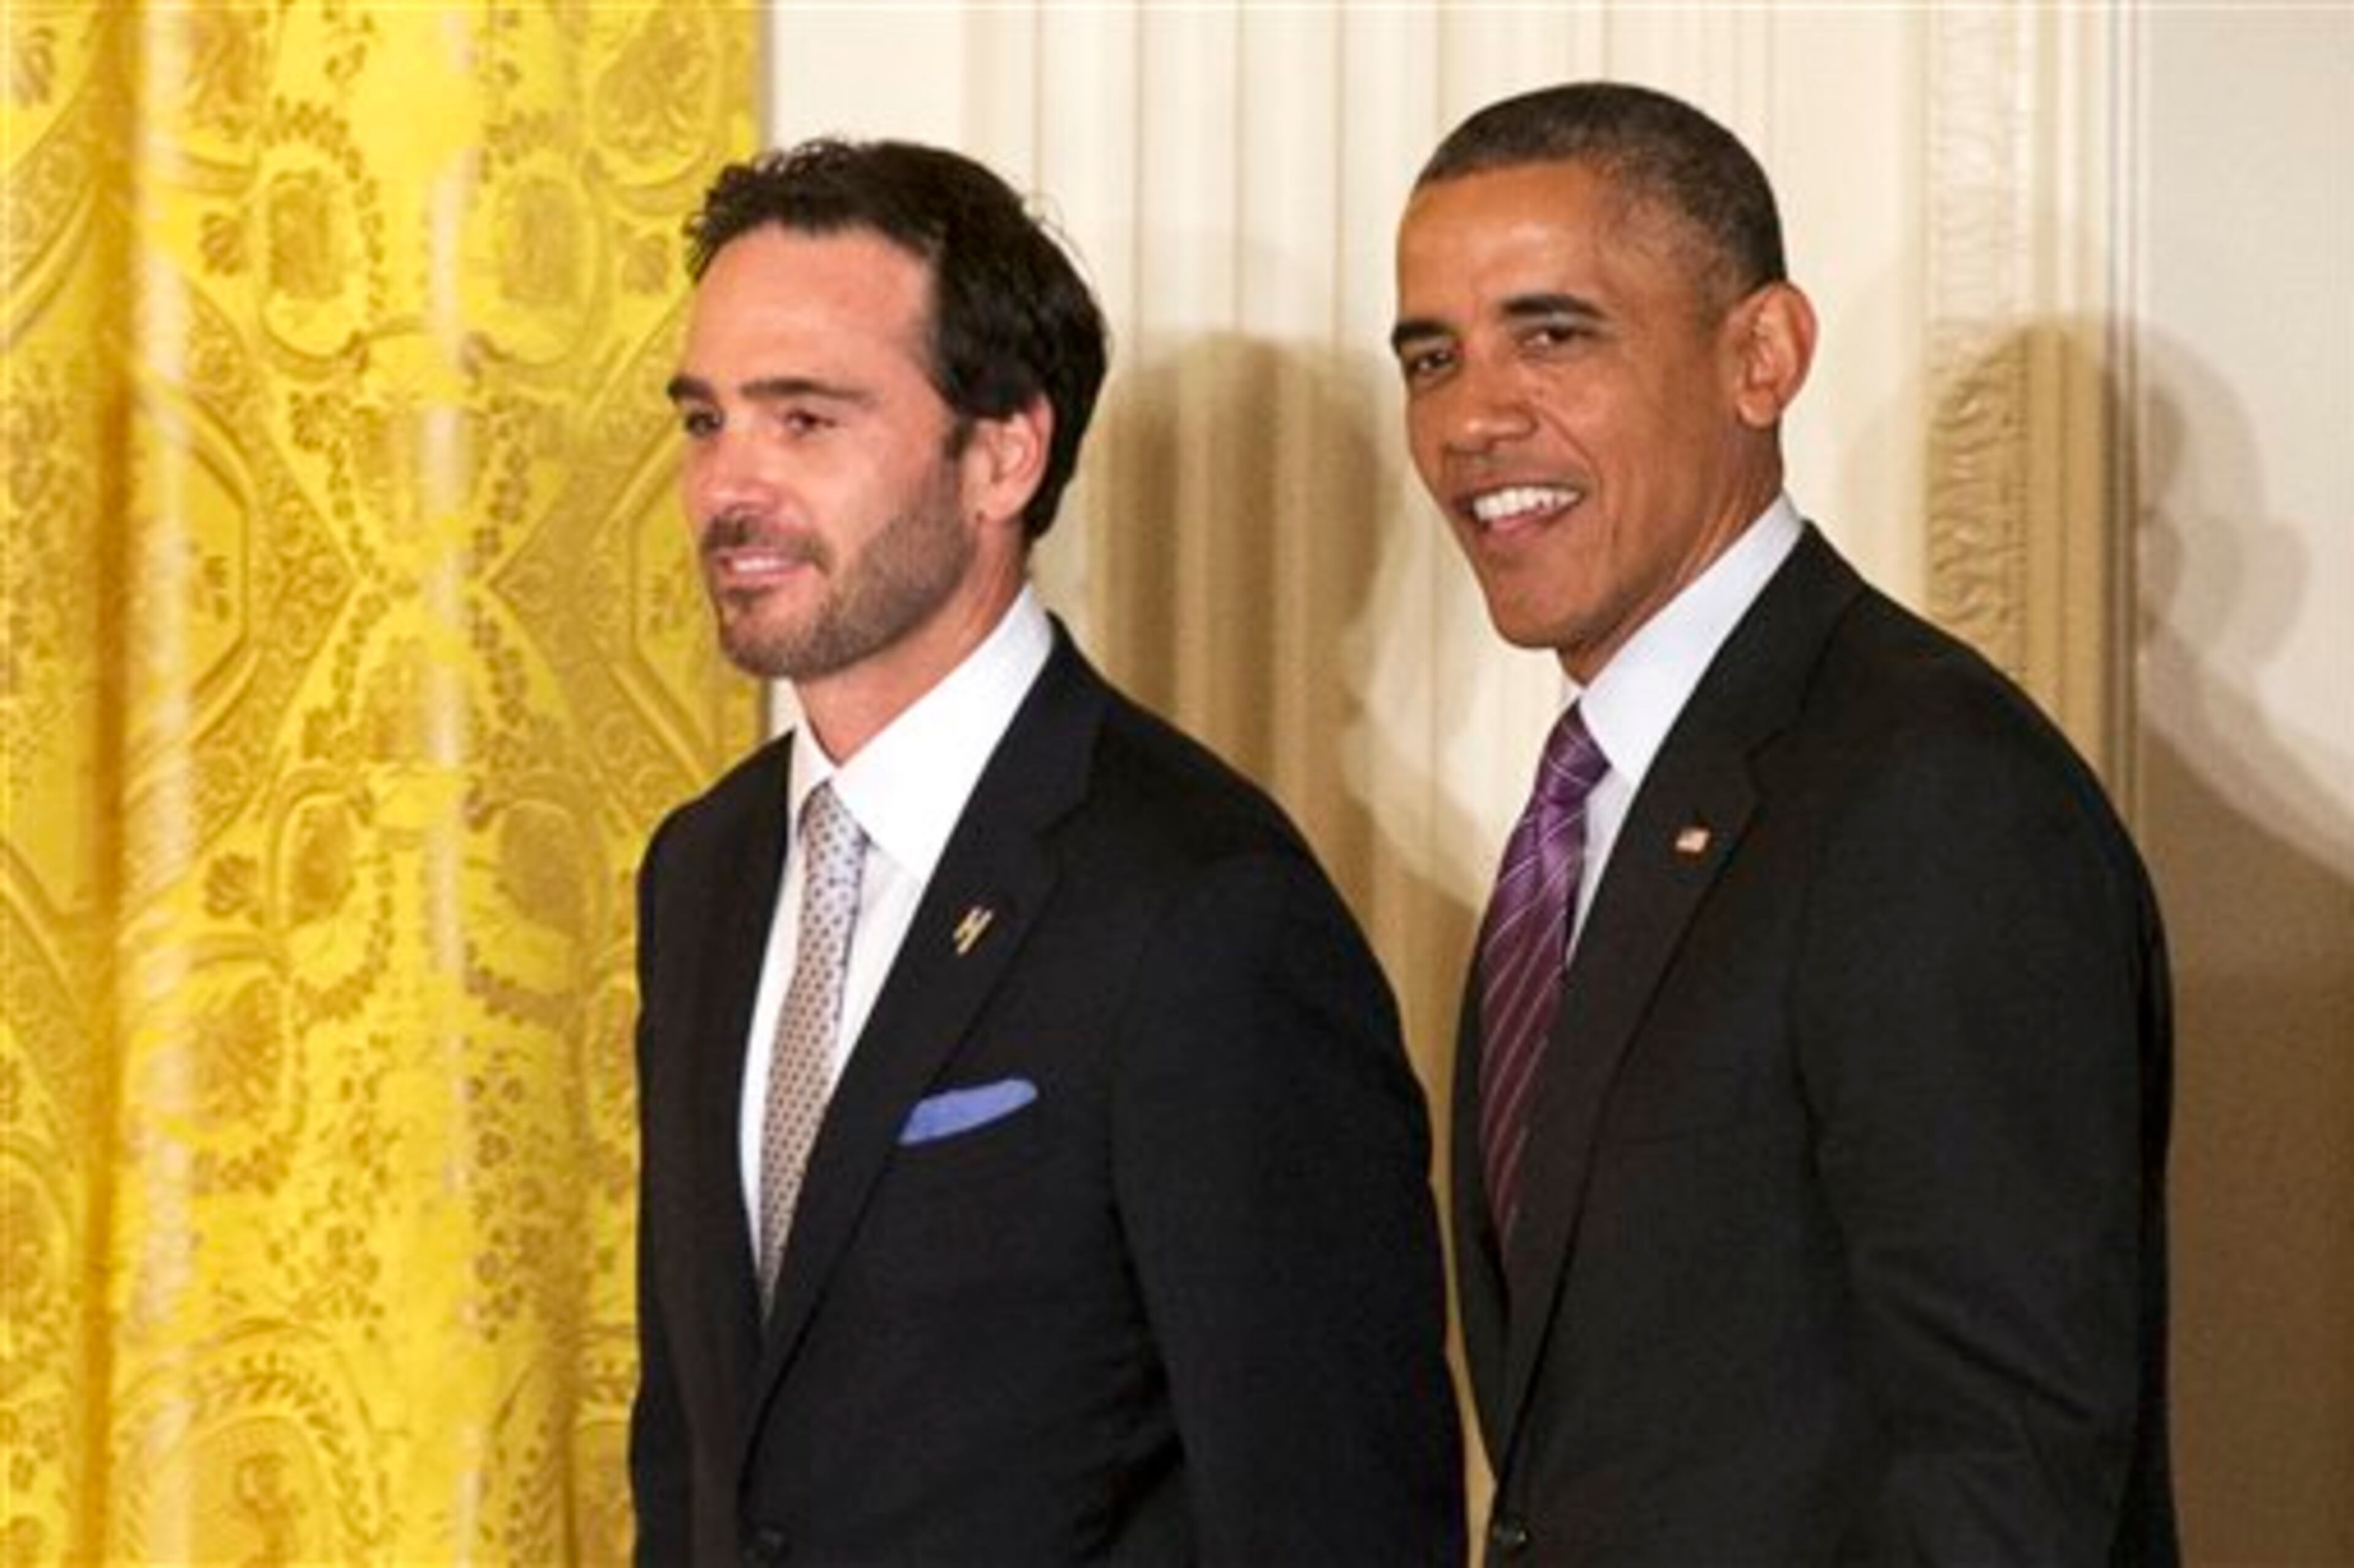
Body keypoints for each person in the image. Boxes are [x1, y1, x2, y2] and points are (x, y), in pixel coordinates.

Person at [629, 137, 1465, 1566]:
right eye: (708, 422)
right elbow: (698, 1453)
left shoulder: (1204, 905)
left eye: (805, 420)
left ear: (1003, 450)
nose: (729, 488)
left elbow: (1339, 1512)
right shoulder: (702, 872)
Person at [1390, 83, 2175, 1563]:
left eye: (1553, 334)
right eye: (1432, 356)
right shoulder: (1605, 799)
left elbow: (2007, 1469)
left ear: (1762, 355)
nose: (1473, 417)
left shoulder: (1931, 795)